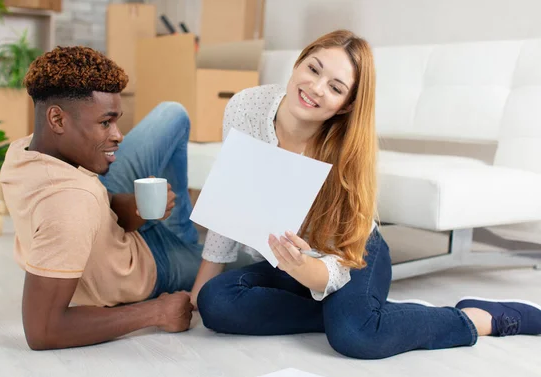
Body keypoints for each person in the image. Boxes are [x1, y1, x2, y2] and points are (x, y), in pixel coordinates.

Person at [192, 30, 541, 359]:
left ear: (345, 104)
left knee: (356, 336)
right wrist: (199, 289)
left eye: (335, 87)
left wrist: (305, 269)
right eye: (313, 69)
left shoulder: (348, 148)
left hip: (348, 253)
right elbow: (230, 204)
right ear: (299, 63)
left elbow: (340, 258)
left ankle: (482, 317)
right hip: (286, 259)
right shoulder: (246, 107)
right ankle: (354, 313)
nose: (314, 88)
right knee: (215, 302)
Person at [0, 46, 202, 350]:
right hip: (152, 264)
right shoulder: (69, 206)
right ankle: (182, 237)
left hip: (116, 231)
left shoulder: (25, 150)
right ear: (57, 119)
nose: (118, 134)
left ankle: (178, 225)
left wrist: (136, 208)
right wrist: (157, 311)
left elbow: (98, 200)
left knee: (173, 114)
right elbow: (43, 331)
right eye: (106, 122)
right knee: (237, 266)